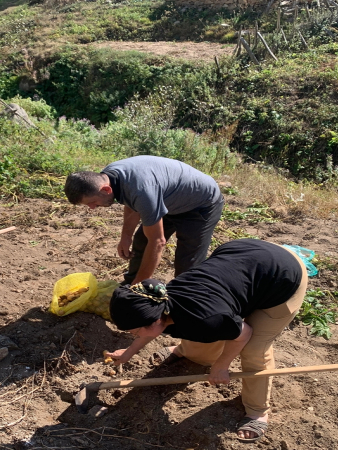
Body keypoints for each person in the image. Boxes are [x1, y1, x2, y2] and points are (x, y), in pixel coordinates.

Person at [105, 239, 308, 443]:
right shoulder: (157, 299)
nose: (134, 334)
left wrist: (222, 366)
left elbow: (243, 333)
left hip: (282, 278)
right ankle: (185, 350)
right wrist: (129, 352)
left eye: (134, 331)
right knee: (201, 338)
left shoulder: (206, 318)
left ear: (155, 319)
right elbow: (148, 330)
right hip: (247, 257)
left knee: (254, 349)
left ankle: (258, 411)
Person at [64, 156, 224, 285]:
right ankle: (130, 284)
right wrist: (126, 236)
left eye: (92, 202)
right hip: (169, 199)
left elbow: (157, 242)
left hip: (201, 204)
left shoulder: (142, 191)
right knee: (142, 240)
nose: (92, 208)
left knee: (187, 263)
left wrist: (140, 284)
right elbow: (131, 203)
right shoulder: (109, 177)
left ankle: (184, 302)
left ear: (105, 189)